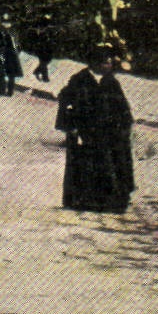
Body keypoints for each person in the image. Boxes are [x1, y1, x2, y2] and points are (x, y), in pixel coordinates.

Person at [56, 45, 135, 212]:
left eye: (110, 62)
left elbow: (122, 106)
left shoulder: (111, 81)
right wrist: (71, 127)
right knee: (89, 166)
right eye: (106, 63)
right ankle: (85, 200)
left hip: (110, 132)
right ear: (95, 63)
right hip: (87, 132)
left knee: (114, 164)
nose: (109, 66)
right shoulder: (79, 80)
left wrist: (124, 124)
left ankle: (114, 200)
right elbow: (65, 100)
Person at [26, 13, 57, 83]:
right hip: (41, 46)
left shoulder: (48, 24)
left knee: (47, 60)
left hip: (46, 46)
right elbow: (38, 32)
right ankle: (45, 77)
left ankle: (37, 71)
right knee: (43, 62)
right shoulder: (41, 23)